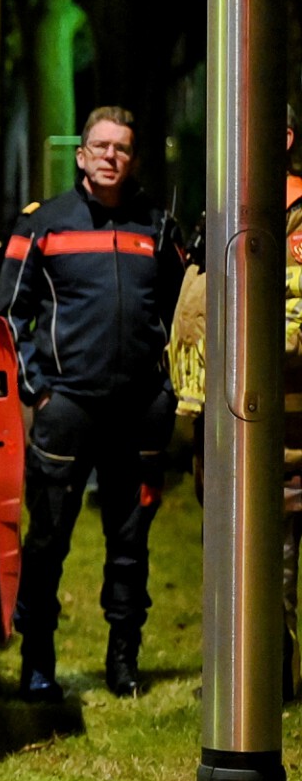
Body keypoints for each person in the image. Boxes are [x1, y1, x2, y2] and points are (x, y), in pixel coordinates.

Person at [0, 105, 185, 700]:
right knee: (49, 538)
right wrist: (39, 391)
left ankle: (123, 662)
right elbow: (9, 316)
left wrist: (168, 386)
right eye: (100, 146)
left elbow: (185, 314)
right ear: (81, 155)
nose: (110, 156)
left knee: (130, 543)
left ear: (133, 158)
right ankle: (38, 660)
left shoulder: (158, 227)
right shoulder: (43, 224)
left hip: (139, 411)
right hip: (67, 408)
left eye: (121, 148)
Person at [166, 104, 302, 701]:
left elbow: (294, 321)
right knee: (232, 554)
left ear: (286, 137)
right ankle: (242, 672)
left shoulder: (295, 217)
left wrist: (241, 345)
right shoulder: (227, 207)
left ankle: (267, 682)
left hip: (280, 422)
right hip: (222, 418)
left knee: (272, 557)